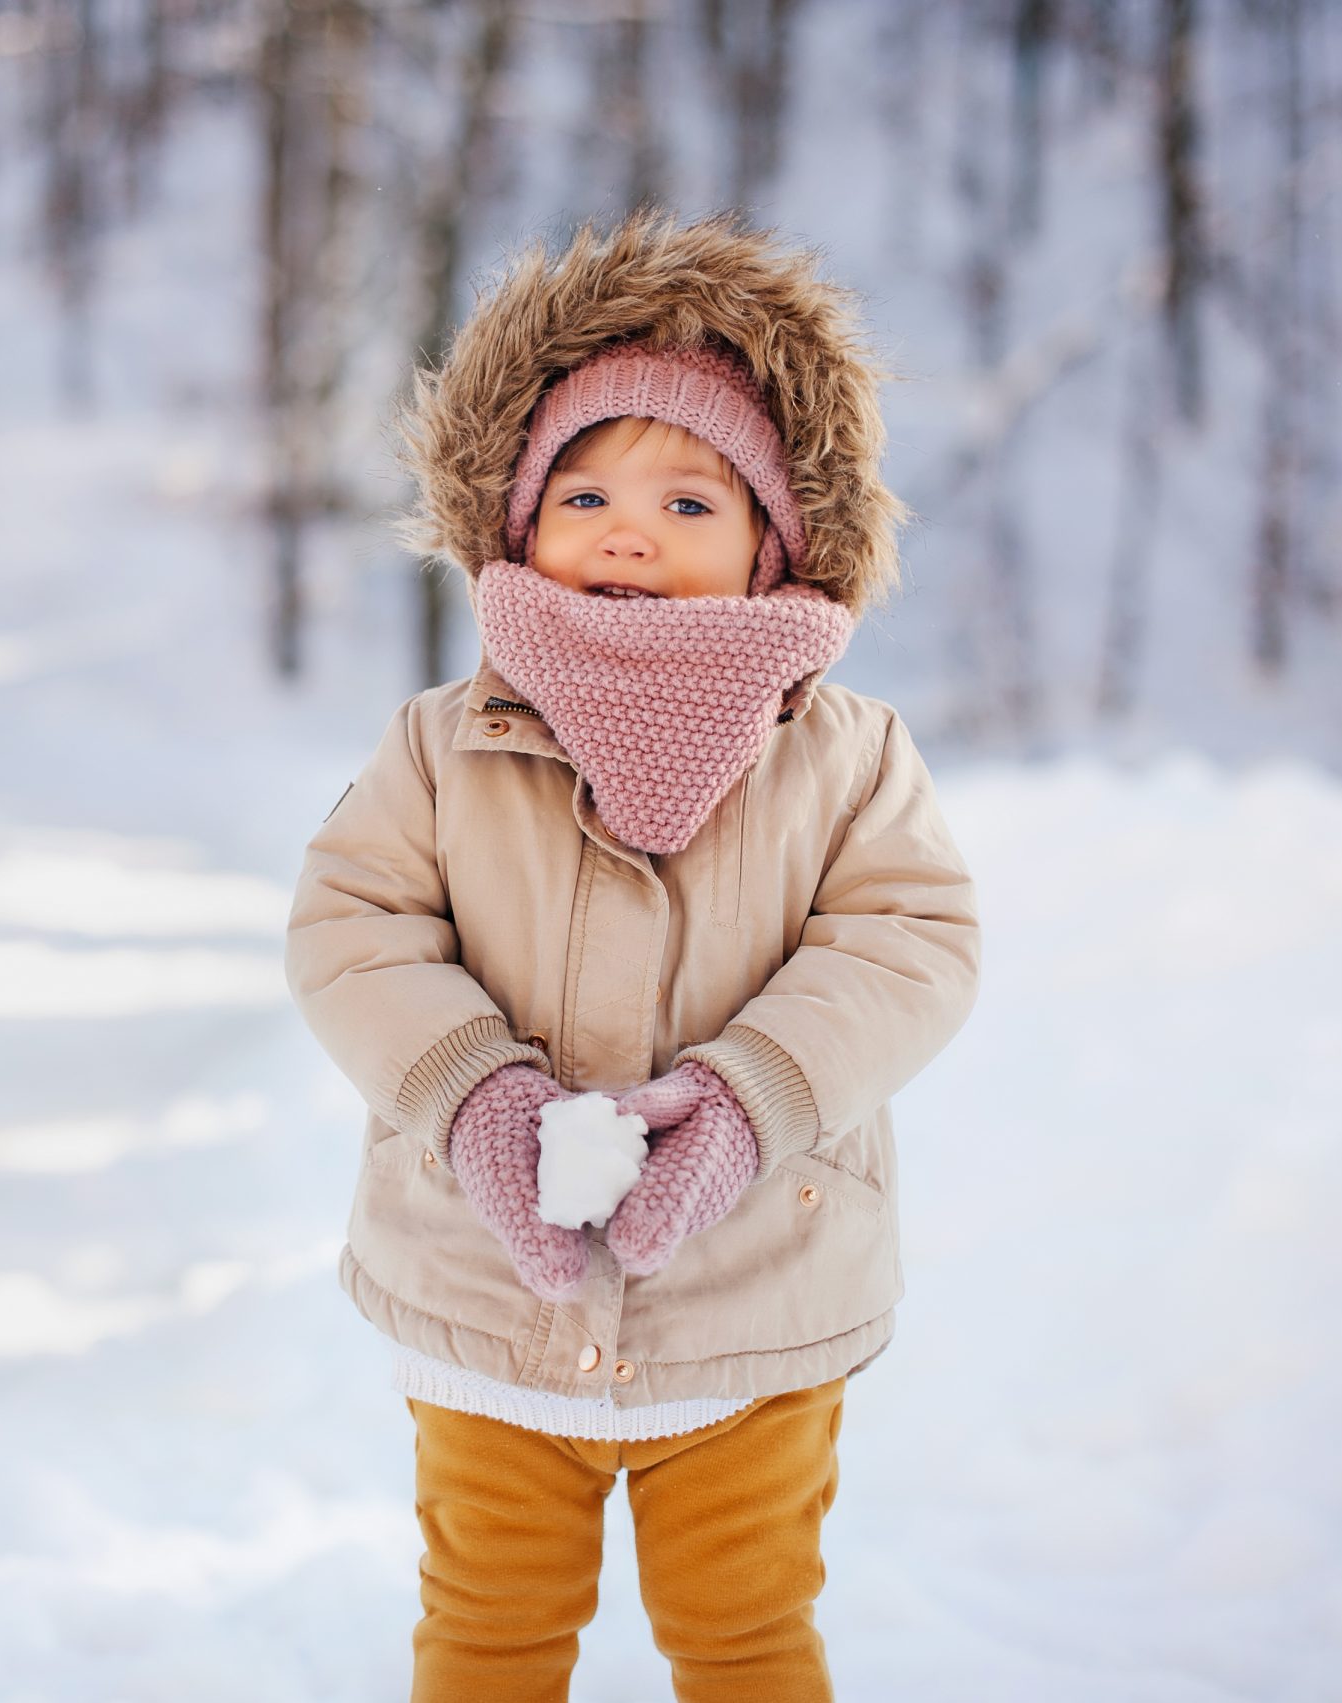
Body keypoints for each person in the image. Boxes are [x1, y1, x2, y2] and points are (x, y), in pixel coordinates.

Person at [282, 207, 984, 1701]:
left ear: (778, 541)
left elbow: (910, 944)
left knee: (744, 1636)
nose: (626, 529)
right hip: (492, 1296)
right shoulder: (444, 739)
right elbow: (353, 927)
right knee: (488, 1633)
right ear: (517, 520)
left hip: (756, 1299)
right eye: (584, 489)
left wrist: (750, 1103)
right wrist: (472, 1096)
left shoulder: (849, 757)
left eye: (690, 501)